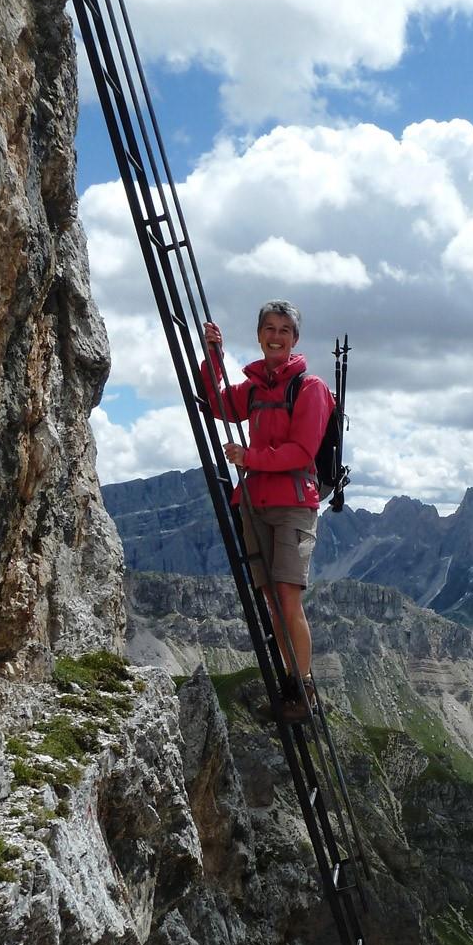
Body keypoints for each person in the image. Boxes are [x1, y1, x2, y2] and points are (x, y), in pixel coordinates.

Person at [201, 300, 334, 719]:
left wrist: (249, 457)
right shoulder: (256, 388)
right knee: (273, 602)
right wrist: (213, 359)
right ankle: (292, 682)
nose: (276, 337)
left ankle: (303, 689)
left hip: (293, 507)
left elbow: (301, 452)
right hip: (256, 504)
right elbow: (220, 405)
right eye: (269, 329)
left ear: (295, 340)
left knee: (288, 599)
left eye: (284, 330)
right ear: (259, 336)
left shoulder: (309, 388)